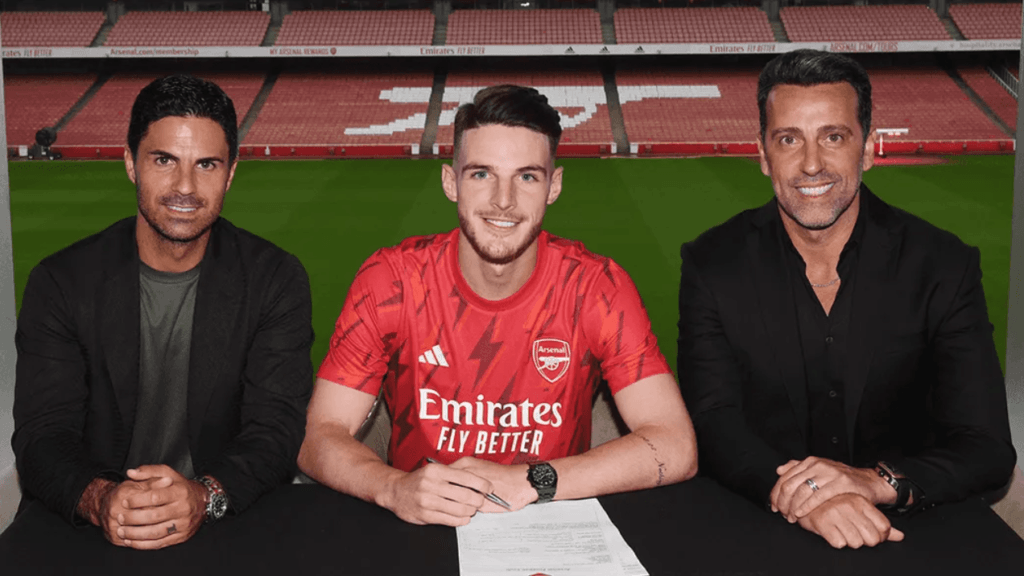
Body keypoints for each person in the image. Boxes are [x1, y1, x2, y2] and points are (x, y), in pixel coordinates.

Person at [300, 84, 697, 526]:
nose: (503, 201)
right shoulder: (391, 280)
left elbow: (675, 444)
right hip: (420, 524)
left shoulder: (595, 286)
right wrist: (393, 487)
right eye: (481, 174)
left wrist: (531, 481)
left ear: (554, 186)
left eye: (527, 176)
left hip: (550, 518)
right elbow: (320, 437)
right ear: (451, 182)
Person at [677, 49, 1016, 549]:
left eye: (833, 137)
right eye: (789, 139)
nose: (812, 164)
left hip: (910, 529)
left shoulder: (942, 264)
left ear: (869, 148)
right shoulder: (711, 263)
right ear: (763, 155)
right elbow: (711, 421)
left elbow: (986, 447)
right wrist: (808, 494)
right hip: (762, 522)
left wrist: (872, 482)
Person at [12, 75, 314, 550]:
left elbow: (276, 429)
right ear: (132, 163)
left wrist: (204, 496)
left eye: (207, 164)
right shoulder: (61, 282)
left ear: (231, 173)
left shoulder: (275, 278)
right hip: (94, 526)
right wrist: (101, 498)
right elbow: (42, 435)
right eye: (164, 160)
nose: (185, 187)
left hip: (227, 517)